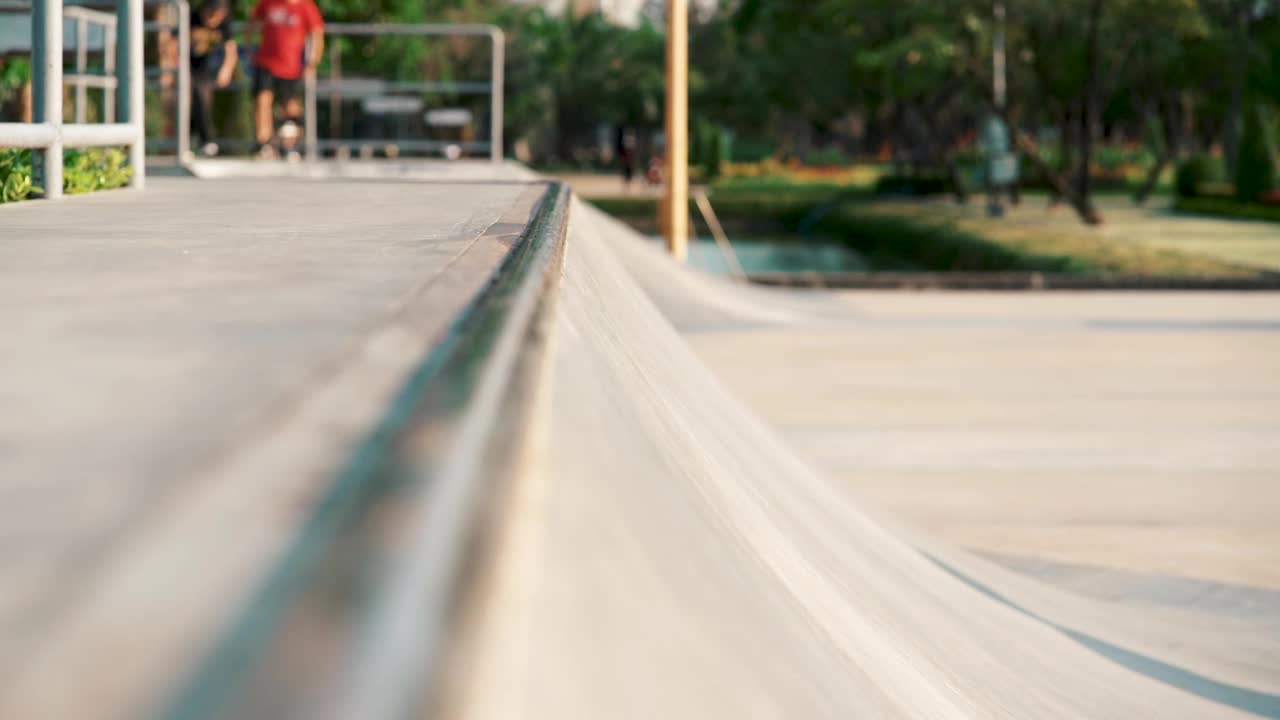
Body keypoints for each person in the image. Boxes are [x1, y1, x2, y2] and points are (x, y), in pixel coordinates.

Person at [245, 0, 323, 160]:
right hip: (265, 62)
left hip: (291, 65)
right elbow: (251, 24)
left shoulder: (306, 6)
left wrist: (313, 62)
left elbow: (317, 34)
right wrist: (249, 49)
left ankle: (290, 145)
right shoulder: (268, 3)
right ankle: (264, 143)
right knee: (262, 101)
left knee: (291, 107)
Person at [189, 0, 237, 157]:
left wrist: (226, 70)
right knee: (190, 100)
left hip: (207, 69)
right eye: (212, 16)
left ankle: (206, 140)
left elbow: (231, 50)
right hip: (189, 67)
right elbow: (173, 43)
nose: (214, 21)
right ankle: (192, 139)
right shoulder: (193, 18)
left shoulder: (224, 23)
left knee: (203, 100)